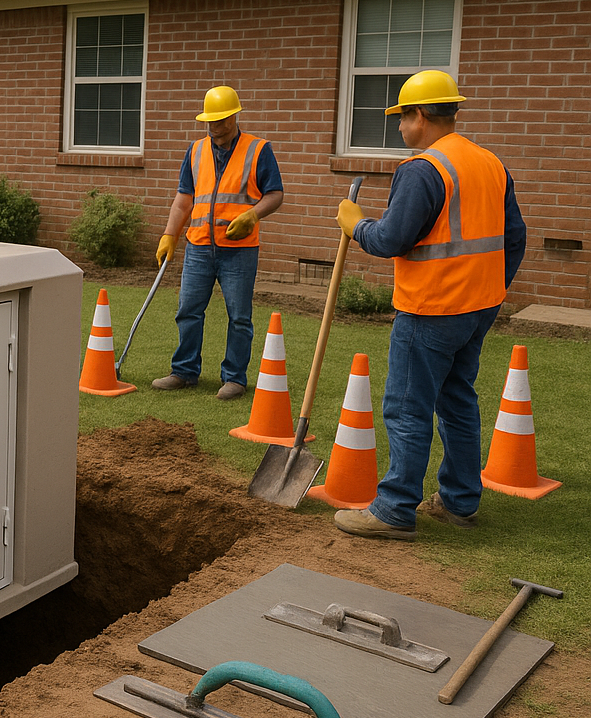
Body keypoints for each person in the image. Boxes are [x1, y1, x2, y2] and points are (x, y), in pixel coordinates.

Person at [332, 70, 526, 541]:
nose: (399, 127)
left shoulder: (423, 169)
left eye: (402, 117)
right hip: (478, 307)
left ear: (421, 115)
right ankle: (459, 502)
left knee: (406, 407)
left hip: (431, 308)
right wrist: (490, 290)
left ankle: (396, 508)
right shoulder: (489, 163)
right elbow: (515, 238)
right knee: (458, 400)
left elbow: (393, 239)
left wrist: (357, 225)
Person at [152, 85, 284, 400]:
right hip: (198, 246)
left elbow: (276, 194)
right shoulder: (196, 151)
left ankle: (235, 378)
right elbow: (184, 199)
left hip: (239, 251)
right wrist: (170, 233)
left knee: (239, 315)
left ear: (236, 116)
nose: (216, 128)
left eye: (222, 121)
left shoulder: (258, 150)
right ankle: (184, 371)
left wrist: (253, 216)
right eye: (211, 122)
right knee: (188, 310)